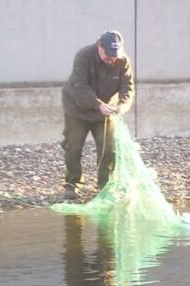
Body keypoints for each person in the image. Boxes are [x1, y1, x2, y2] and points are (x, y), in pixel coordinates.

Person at [60, 30, 134, 200]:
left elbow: (127, 87)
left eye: (115, 54)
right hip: (77, 109)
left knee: (108, 147)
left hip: (107, 111)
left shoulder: (122, 61)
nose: (112, 58)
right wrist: (97, 104)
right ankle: (72, 184)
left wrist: (123, 105)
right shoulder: (84, 56)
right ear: (99, 46)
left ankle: (105, 185)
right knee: (73, 146)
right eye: (108, 54)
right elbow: (80, 85)